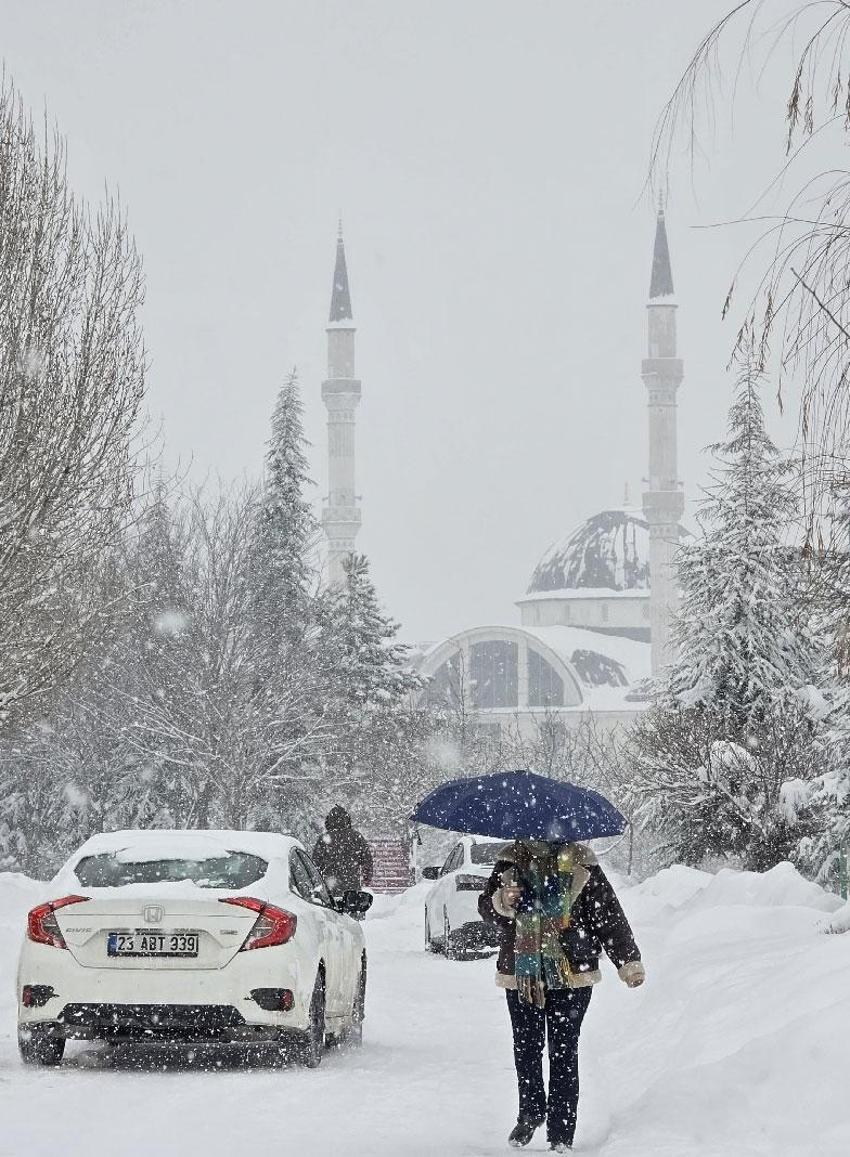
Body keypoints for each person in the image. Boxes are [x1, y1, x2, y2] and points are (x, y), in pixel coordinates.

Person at [478, 840, 644, 1153]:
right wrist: (502, 901)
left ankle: (561, 1134)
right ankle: (530, 1112)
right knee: (526, 1047)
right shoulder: (510, 860)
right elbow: (487, 908)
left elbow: (608, 915)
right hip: (522, 973)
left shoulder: (583, 863)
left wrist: (628, 961)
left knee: (564, 1051)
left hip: (572, 973)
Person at [311, 806, 373, 895]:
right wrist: (366, 878)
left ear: (329, 821)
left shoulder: (324, 839)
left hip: (330, 887)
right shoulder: (356, 837)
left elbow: (315, 863)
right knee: (352, 906)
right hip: (352, 887)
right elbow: (367, 860)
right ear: (347, 820)